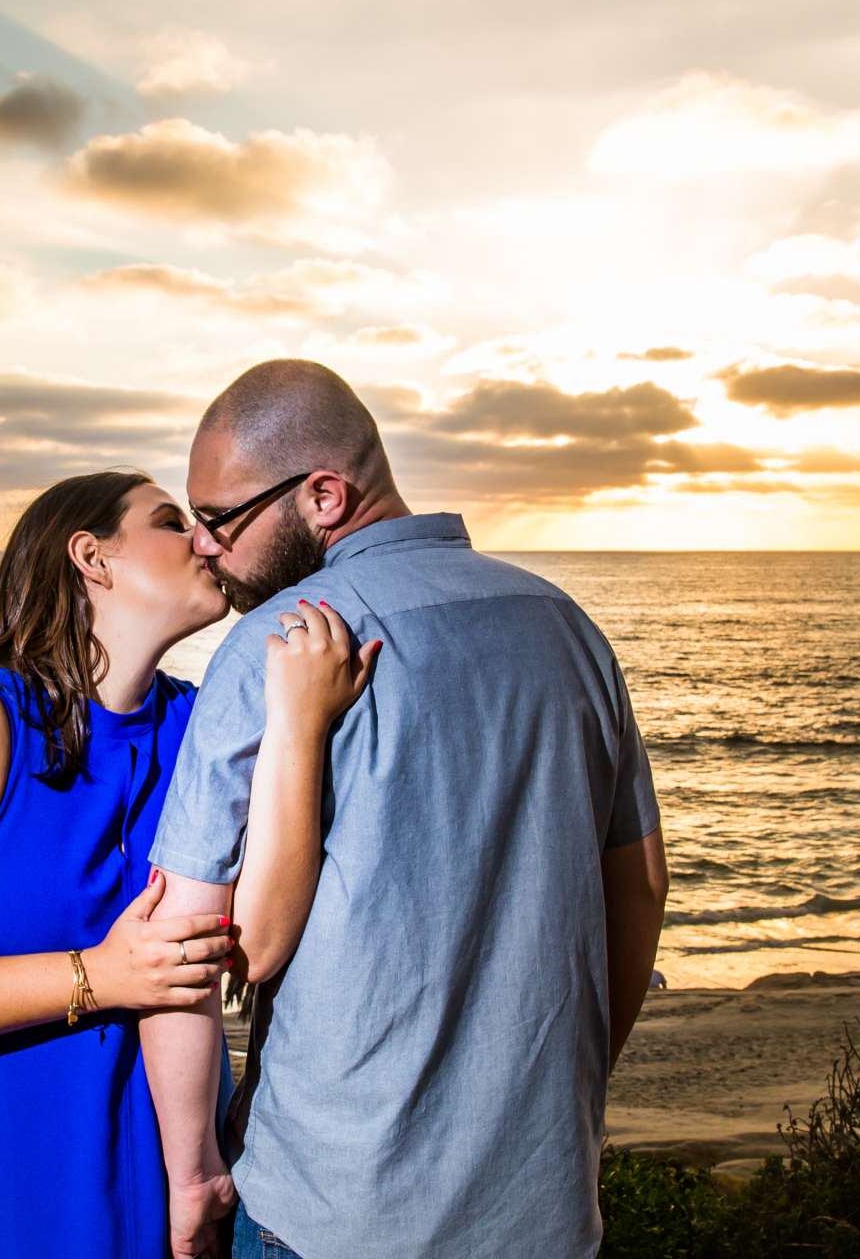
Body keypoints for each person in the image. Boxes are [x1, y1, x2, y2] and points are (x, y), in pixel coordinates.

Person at [141, 362, 671, 1259]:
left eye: (220, 518)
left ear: (322, 495)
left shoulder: (272, 647)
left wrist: (192, 1180)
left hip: (333, 1211)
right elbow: (643, 888)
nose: (204, 545)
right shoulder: (569, 629)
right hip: (544, 1211)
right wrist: (566, 1102)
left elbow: (187, 953)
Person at [0, 469, 374, 1257]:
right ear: (92, 558)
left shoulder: (205, 725)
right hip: (4, 1168)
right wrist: (99, 975)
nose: (205, 538)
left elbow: (260, 937)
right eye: (171, 521)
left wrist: (301, 723)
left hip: (165, 1167)